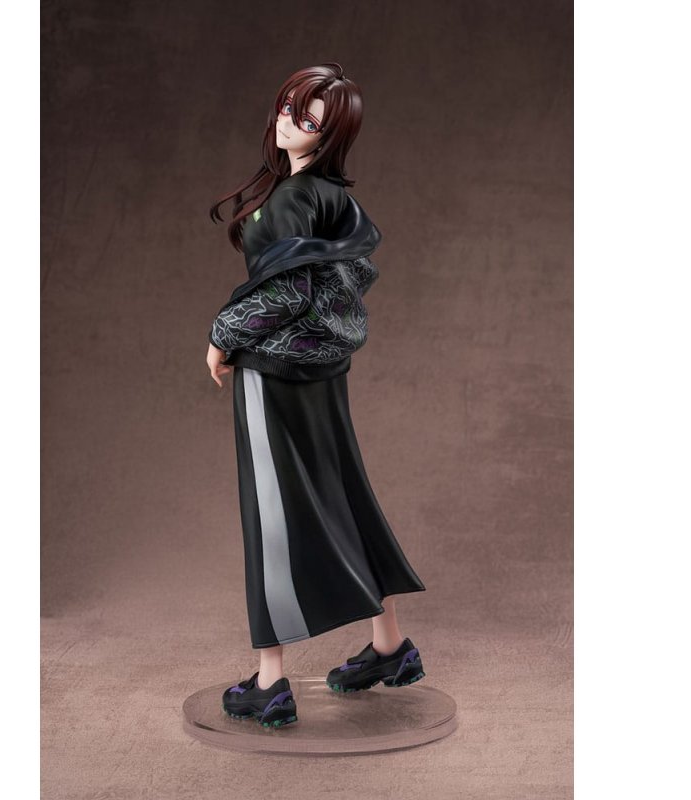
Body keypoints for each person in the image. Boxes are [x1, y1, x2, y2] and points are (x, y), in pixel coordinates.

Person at [206, 63, 426, 728]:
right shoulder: (332, 197)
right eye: (287, 107)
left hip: (274, 371)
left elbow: (289, 291)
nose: (288, 122)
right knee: (344, 494)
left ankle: (270, 681)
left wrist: (222, 335)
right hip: (323, 368)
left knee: (269, 514)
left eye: (306, 119)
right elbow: (339, 280)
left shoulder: (295, 197)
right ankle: (389, 647)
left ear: (330, 134)